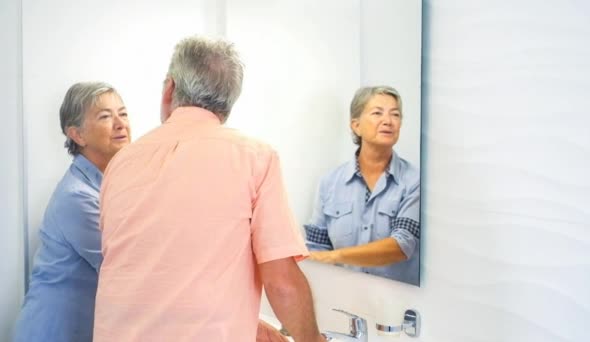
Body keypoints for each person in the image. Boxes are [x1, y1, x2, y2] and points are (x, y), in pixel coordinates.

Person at [93, 36, 325, 342]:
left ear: (170, 89)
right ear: (228, 103)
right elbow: (282, 283)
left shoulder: (121, 162)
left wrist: (244, 323)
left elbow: (149, 273)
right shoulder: (255, 158)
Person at [13, 82, 131, 342]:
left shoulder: (110, 183)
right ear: (77, 134)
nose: (120, 123)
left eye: (122, 113)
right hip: (50, 332)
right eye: (105, 116)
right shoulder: (76, 197)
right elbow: (124, 264)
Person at [304, 86, 421, 285]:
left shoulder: (414, 180)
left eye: (395, 114)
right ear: (356, 125)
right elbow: (316, 247)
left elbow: (402, 245)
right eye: (377, 113)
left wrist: (336, 256)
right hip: (342, 297)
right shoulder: (329, 182)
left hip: (398, 303)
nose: (388, 121)